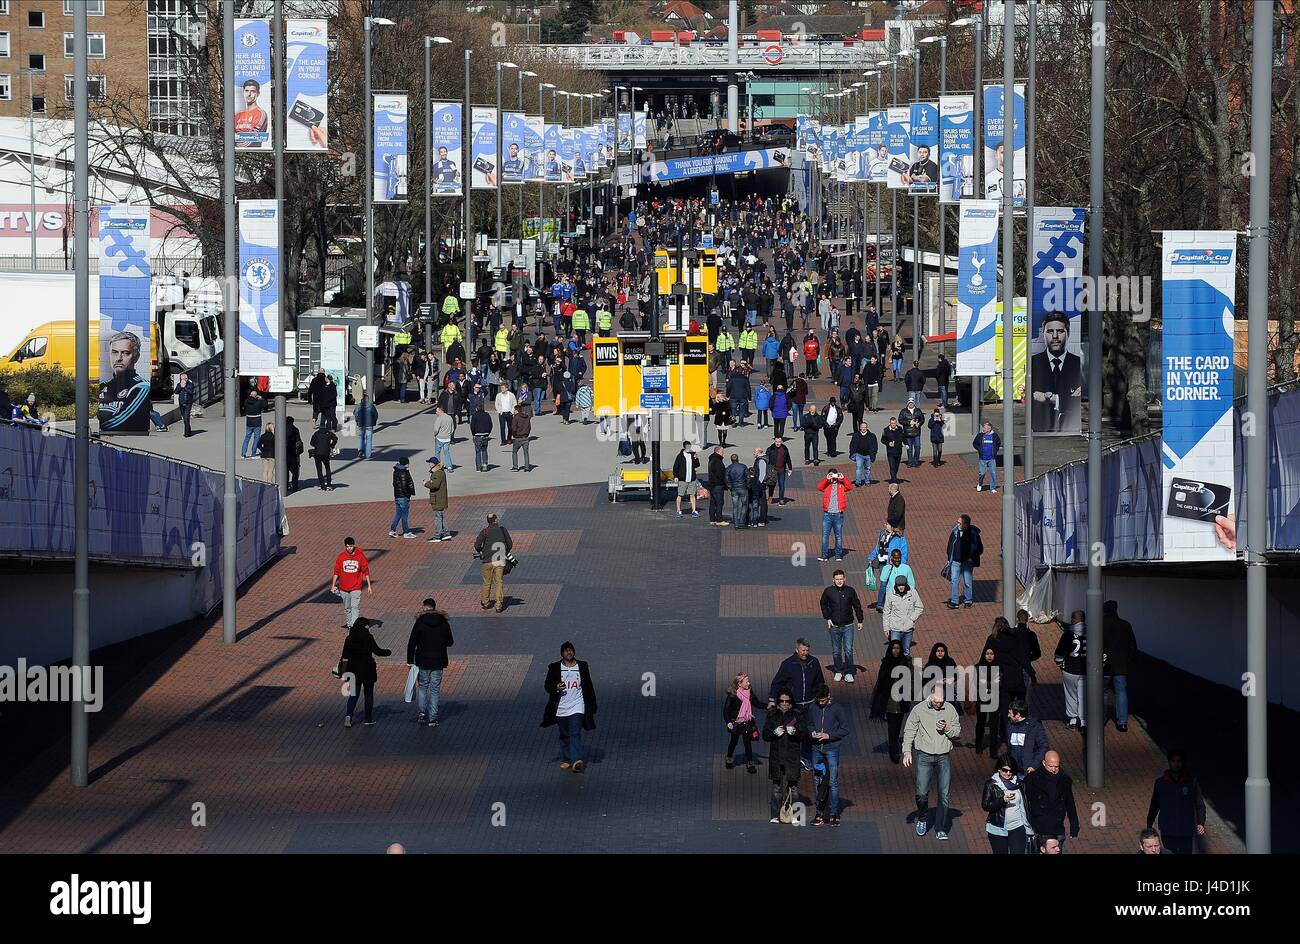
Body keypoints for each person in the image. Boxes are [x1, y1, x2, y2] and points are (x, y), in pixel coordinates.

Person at [902, 683, 962, 839]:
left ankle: (940, 827)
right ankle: (922, 817)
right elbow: (909, 730)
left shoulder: (950, 709)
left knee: (944, 795)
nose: (938, 704)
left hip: (943, 756)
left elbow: (957, 732)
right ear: (930, 696)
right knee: (921, 793)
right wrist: (907, 752)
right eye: (936, 701)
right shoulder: (919, 709)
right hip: (924, 756)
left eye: (941, 702)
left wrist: (947, 728)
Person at [541, 641, 597, 772]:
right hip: (561, 707)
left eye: (570, 650)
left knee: (575, 732)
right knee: (564, 734)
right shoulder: (555, 667)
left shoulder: (582, 666)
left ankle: (577, 760)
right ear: (562, 653)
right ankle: (567, 758)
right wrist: (556, 687)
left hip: (578, 705)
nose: (569, 652)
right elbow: (547, 685)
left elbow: (589, 686)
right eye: (566, 650)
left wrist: (592, 705)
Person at [1146, 750, 1206, 855]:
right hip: (1168, 828)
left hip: (1186, 828)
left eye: (1179, 761)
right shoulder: (1160, 783)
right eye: (1173, 761)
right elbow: (1155, 804)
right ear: (1169, 762)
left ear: (1183, 763)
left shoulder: (1191, 782)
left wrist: (1201, 822)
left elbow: (1199, 804)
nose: (1176, 764)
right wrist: (1149, 823)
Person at [1030, 312, 1083, 432]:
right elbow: (1031, 397)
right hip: (1040, 429)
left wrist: (1050, 398)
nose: (1055, 336)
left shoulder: (1078, 363)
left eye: (1060, 331)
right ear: (1043, 334)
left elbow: (1078, 401)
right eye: (1050, 332)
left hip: (1070, 429)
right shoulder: (1032, 363)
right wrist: (1067, 399)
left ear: (1068, 333)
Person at [806, 684, 849, 826]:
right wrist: (812, 732)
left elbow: (844, 729)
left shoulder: (837, 709)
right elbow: (810, 724)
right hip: (816, 748)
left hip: (832, 749)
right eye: (819, 700)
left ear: (828, 696)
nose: (820, 703)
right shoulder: (813, 707)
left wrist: (829, 735)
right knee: (817, 780)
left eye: (823, 701)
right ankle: (819, 813)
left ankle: (834, 813)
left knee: (832, 782)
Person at [405, 598, 453, 726]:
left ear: (425, 607)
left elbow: (412, 642)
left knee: (423, 687)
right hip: (439, 661)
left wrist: (409, 660)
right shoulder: (443, 622)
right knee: (435, 689)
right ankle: (433, 718)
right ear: (434, 607)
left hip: (423, 660)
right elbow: (450, 642)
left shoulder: (420, 622)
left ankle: (422, 713)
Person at [1024, 751, 1081, 853]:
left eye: (1056, 766)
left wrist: (1074, 826)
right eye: (1051, 766)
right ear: (1044, 763)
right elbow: (1025, 801)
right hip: (1038, 826)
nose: (1054, 769)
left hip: (1057, 826)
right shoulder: (1032, 779)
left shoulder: (1064, 780)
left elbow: (1070, 803)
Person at [763, 688, 805, 824]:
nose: (785, 703)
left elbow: (803, 735)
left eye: (787, 701)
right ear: (778, 701)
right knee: (777, 786)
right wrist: (774, 733)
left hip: (792, 755)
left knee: (794, 787)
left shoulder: (797, 714)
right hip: (777, 755)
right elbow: (765, 735)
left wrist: (795, 733)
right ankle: (775, 815)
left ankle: (797, 816)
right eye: (782, 701)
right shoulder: (772, 714)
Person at [339, 617, 391, 728]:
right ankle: (368, 719)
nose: (369, 627)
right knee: (368, 694)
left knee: (353, 695)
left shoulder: (349, 638)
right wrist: (388, 652)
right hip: (367, 670)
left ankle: (348, 715)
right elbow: (378, 651)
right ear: (364, 626)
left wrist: (343, 671)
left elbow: (345, 656)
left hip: (353, 670)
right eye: (368, 625)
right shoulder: (368, 637)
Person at [1044, 609, 1089, 730]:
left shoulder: (1068, 634)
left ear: (1075, 619)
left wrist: (1061, 666)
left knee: (1070, 695)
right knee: (1083, 696)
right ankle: (1084, 722)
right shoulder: (1091, 633)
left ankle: (1073, 720)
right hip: (1085, 671)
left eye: (1072, 618)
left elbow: (1059, 653)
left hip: (1070, 669)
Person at [870, 640, 911, 763]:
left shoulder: (905, 662)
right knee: (892, 727)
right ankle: (894, 751)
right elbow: (881, 681)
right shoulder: (886, 663)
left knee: (898, 726)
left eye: (898, 648)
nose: (896, 650)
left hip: (902, 701)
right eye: (894, 648)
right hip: (890, 701)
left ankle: (894, 745)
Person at [820, 569, 864, 683]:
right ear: (833, 580)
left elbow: (857, 605)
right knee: (836, 651)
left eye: (841, 579)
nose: (839, 581)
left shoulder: (850, 591)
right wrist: (827, 618)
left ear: (845, 579)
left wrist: (860, 620)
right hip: (834, 626)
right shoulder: (828, 591)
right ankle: (838, 670)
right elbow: (823, 603)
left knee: (848, 650)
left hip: (848, 625)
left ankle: (849, 672)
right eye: (837, 579)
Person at [983, 754, 1030, 853]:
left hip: (1017, 826)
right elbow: (985, 805)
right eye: (1005, 770)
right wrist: (1001, 800)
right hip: (998, 829)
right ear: (999, 769)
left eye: (1011, 770)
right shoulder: (991, 784)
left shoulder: (1019, 783)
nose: (1008, 773)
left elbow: (1025, 804)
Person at [1102, 599, 1137, 732]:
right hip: (1121, 666)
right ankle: (1122, 722)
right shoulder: (1125, 625)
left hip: (1104, 664)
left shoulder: (1100, 624)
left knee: (1103, 693)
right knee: (1121, 693)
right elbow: (1132, 647)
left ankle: (1102, 718)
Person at [722, 672, 764, 774]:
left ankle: (750, 763)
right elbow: (726, 711)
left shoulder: (750, 692)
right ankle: (729, 758)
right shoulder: (733, 695)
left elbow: (757, 703)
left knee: (747, 742)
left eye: (748, 681)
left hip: (747, 721)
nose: (748, 683)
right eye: (746, 681)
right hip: (735, 722)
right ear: (739, 684)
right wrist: (728, 722)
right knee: (734, 741)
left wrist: (768, 706)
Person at [474, 513, 513, 613]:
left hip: (487, 561)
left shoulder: (485, 531)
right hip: (499, 560)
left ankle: (485, 602)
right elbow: (509, 543)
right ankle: (498, 605)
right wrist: (505, 552)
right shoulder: (502, 530)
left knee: (487, 582)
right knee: (499, 582)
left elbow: (477, 545)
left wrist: (481, 550)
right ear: (496, 520)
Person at [946, 514, 983, 609]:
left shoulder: (973, 534)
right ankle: (954, 601)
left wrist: (972, 557)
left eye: (959, 523)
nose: (957, 524)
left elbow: (979, 548)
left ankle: (968, 600)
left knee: (967, 581)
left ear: (965, 524)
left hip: (967, 562)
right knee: (954, 581)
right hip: (955, 561)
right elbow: (950, 545)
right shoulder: (955, 532)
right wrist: (949, 558)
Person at [816, 467, 853, 561]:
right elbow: (819, 487)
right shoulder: (827, 485)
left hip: (838, 515)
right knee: (825, 536)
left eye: (834, 475)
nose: (834, 477)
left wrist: (843, 478)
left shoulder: (842, 485)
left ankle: (838, 555)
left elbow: (850, 487)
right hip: (827, 514)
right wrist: (826, 479)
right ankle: (824, 555)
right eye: (831, 475)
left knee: (838, 536)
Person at [1004, 697, 1048, 776]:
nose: (1008, 715)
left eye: (1010, 713)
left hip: (1028, 771)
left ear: (1018, 715)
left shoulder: (1034, 727)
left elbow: (1043, 746)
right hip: (1014, 770)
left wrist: (1034, 765)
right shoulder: (1010, 726)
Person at [882, 573, 923, 656]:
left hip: (908, 629)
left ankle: (905, 667)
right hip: (895, 628)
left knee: (906, 651)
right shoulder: (890, 594)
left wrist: (912, 619)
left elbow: (920, 607)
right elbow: (886, 611)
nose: (901, 587)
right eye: (899, 585)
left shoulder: (912, 592)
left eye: (903, 585)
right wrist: (886, 627)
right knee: (895, 651)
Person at [388, 457, 417, 538]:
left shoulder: (396, 471)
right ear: (406, 463)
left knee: (398, 514)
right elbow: (405, 485)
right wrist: (409, 493)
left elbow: (394, 484)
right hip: (403, 496)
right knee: (404, 515)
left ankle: (392, 530)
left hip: (397, 496)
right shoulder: (404, 472)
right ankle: (406, 532)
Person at [423, 456, 450, 542]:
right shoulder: (439, 472)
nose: (429, 464)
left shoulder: (437, 473)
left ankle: (437, 536)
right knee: (440, 516)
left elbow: (435, 485)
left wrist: (426, 484)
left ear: (434, 464)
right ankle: (446, 534)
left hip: (438, 498)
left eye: (430, 463)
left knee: (438, 517)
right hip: (440, 498)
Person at [672, 441, 701, 518]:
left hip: (692, 479)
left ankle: (694, 511)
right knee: (680, 495)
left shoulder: (692, 455)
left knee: (692, 495)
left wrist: (696, 458)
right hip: (682, 479)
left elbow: (697, 465)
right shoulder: (680, 456)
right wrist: (675, 476)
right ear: (684, 447)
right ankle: (678, 510)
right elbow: (675, 467)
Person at [973, 421, 1002, 492]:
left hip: (992, 458)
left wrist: (996, 450)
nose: (983, 429)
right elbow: (975, 443)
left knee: (993, 473)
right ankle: (980, 484)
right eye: (983, 427)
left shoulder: (994, 436)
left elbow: (998, 443)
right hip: (982, 458)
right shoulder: (980, 435)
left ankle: (992, 487)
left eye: (985, 428)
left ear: (989, 429)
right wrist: (979, 449)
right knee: (982, 473)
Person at [724, 451, 749, 529]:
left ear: (731, 460)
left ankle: (736, 523)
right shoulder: (743, 466)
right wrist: (747, 486)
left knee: (735, 506)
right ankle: (742, 521)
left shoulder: (729, 468)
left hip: (734, 488)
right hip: (743, 488)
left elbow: (726, 478)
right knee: (744, 505)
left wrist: (730, 486)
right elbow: (748, 477)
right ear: (738, 459)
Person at [765, 436, 793, 505]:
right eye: (776, 442)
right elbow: (766, 459)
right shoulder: (770, 449)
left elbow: (788, 458)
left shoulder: (784, 449)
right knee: (771, 484)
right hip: (773, 470)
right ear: (774, 441)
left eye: (779, 442)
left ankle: (781, 499)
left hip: (782, 469)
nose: (778, 443)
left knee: (782, 485)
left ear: (782, 442)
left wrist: (790, 468)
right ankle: (770, 497)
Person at [309, 423, 337, 490]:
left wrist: (317, 445)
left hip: (317, 454)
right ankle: (329, 484)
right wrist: (331, 445)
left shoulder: (316, 433)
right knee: (327, 468)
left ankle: (322, 485)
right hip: (326, 453)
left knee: (319, 470)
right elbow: (335, 439)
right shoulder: (329, 433)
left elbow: (311, 443)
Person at [849, 421, 877, 486]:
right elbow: (852, 445)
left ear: (867, 428)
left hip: (868, 455)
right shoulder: (856, 435)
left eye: (865, 427)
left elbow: (875, 446)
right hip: (859, 455)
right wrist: (852, 453)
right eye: (862, 427)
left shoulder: (872, 436)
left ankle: (867, 481)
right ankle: (858, 482)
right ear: (860, 428)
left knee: (867, 469)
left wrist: (873, 454)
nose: (863, 429)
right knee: (859, 468)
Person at [899, 397, 924, 468]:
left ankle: (916, 461)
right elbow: (900, 420)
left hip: (917, 432)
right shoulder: (903, 411)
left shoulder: (918, 410)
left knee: (918, 447)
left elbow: (922, 419)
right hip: (908, 433)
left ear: (914, 403)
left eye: (912, 403)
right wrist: (909, 422)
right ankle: (910, 462)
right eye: (909, 403)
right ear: (907, 404)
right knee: (909, 449)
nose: (911, 404)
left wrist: (919, 423)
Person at [240, 387, 265, 458]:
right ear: (256, 396)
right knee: (256, 438)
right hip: (257, 421)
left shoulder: (246, 401)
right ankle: (253, 454)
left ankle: (243, 453)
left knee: (247, 438)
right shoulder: (258, 402)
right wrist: (261, 398)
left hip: (249, 421)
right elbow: (265, 405)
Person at [510, 397, 533, 472]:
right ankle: (527, 467)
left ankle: (515, 467)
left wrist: (514, 435)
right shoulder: (527, 417)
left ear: (516, 410)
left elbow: (513, 428)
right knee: (526, 453)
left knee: (514, 452)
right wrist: (527, 434)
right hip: (526, 437)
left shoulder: (515, 418)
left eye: (514, 410)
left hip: (518, 437)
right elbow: (529, 427)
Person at [881, 415, 905, 484]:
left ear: (896, 423)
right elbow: (882, 440)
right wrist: (888, 443)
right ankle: (894, 481)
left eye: (894, 423)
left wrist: (906, 444)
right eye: (892, 423)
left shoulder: (900, 429)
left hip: (898, 451)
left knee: (896, 466)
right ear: (890, 423)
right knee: (892, 466)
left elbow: (903, 437)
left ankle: (893, 477)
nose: (893, 425)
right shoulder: (886, 430)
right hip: (890, 452)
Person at [431, 404, 455, 472]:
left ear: (440, 410)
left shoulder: (439, 418)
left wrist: (435, 435)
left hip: (439, 438)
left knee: (437, 452)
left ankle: (437, 467)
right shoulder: (449, 417)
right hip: (447, 438)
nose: (436, 412)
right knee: (447, 452)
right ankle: (449, 467)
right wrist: (449, 434)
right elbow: (452, 428)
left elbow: (436, 429)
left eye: (436, 411)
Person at [469, 402, 493, 472]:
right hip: (485, 435)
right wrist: (488, 433)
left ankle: (479, 467)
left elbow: (472, 426)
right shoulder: (487, 415)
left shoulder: (475, 415)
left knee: (478, 451)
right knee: (484, 450)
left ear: (476, 408)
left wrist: (473, 434)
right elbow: (490, 425)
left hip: (477, 435)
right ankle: (485, 465)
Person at [706, 445, 727, 525]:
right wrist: (724, 483)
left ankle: (712, 518)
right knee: (719, 502)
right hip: (718, 485)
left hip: (712, 484)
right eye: (722, 452)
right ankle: (719, 520)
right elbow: (720, 474)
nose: (723, 454)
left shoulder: (712, 459)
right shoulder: (717, 461)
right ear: (717, 451)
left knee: (713, 501)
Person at [353, 393, 378, 460]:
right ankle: (368, 455)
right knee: (369, 439)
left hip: (361, 424)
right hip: (369, 424)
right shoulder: (371, 406)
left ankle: (361, 451)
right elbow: (375, 414)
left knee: (361, 437)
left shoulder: (359, 406)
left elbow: (355, 413)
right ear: (368, 399)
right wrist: (374, 421)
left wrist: (357, 420)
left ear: (362, 399)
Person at [285, 416, 303, 492]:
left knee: (285, 471)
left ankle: (285, 486)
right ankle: (295, 487)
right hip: (294, 454)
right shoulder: (295, 429)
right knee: (295, 472)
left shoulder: (281, 428)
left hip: (284, 453)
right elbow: (298, 442)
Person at [175, 372, 196, 437]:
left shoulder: (190, 384)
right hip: (181, 403)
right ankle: (188, 431)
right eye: (182, 379)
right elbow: (176, 392)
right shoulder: (179, 384)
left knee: (186, 418)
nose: (183, 380)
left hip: (188, 403)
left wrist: (184, 388)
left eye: (184, 379)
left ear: (186, 379)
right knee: (184, 418)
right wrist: (181, 387)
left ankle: (186, 433)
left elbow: (191, 392)